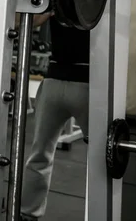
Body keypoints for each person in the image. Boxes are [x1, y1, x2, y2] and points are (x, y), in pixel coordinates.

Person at [20, 12, 90, 221]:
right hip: (58, 80)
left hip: (82, 83)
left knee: (100, 158)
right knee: (39, 154)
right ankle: (27, 214)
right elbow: (19, 22)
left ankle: (28, 213)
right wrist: (45, 9)